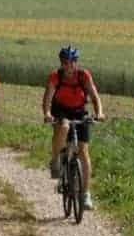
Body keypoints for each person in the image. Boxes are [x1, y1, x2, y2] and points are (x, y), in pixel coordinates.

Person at [42, 44, 104, 210]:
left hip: (78, 111)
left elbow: (94, 96)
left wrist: (99, 113)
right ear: (61, 63)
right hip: (61, 110)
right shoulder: (56, 76)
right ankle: (55, 160)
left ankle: (85, 194)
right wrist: (47, 114)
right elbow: (48, 98)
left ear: (76, 62)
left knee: (83, 151)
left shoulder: (84, 76)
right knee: (63, 127)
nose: (68, 66)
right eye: (65, 63)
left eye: (71, 62)